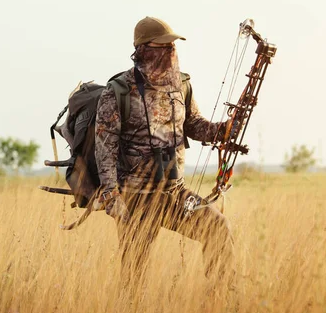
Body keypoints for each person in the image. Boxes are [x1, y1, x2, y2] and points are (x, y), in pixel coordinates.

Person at [95, 16, 235, 290]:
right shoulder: (119, 91)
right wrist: (112, 197)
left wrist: (224, 130)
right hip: (135, 198)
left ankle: (223, 304)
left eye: (172, 46)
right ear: (144, 49)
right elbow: (105, 150)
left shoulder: (181, 85)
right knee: (134, 277)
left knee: (217, 227)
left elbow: (195, 125)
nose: (171, 51)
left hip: (175, 192)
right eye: (163, 46)